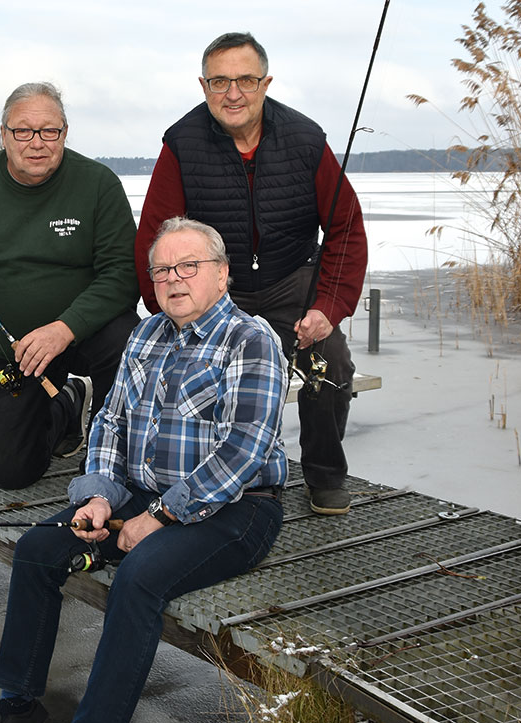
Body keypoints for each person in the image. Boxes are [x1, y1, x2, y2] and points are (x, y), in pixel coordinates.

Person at [0, 217, 288, 723]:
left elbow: (243, 451)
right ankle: (19, 706)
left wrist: (157, 518)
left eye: (189, 266)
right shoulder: (149, 334)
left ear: (221, 273)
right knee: (37, 548)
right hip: (141, 493)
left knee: (139, 581)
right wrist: (101, 498)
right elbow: (108, 422)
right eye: (163, 269)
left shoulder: (251, 339)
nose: (174, 279)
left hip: (238, 509)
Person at [135, 32, 368, 515]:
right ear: (204, 86)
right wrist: (168, 305)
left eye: (245, 79)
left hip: (291, 282)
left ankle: (324, 474)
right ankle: (203, 475)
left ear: (265, 83)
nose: (233, 93)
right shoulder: (181, 144)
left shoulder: (306, 140)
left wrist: (328, 307)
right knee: (199, 370)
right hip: (218, 289)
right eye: (220, 81)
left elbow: (345, 227)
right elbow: (155, 238)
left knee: (332, 363)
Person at [0, 82, 140, 489]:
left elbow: (123, 274)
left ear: (64, 134)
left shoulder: (98, 184)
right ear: (3, 135)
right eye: (23, 131)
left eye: (48, 131)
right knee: (13, 473)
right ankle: (67, 406)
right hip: (15, 351)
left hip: (87, 336)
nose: (36, 143)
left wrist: (64, 328)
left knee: (126, 338)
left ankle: (114, 446)